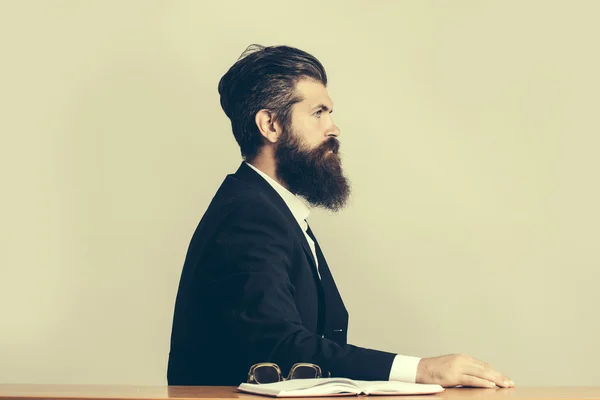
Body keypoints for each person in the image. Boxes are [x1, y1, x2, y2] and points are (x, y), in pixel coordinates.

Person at [167, 44, 514, 389]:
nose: (334, 129)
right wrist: (422, 370)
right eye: (318, 113)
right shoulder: (250, 215)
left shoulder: (271, 210)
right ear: (271, 125)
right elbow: (276, 346)